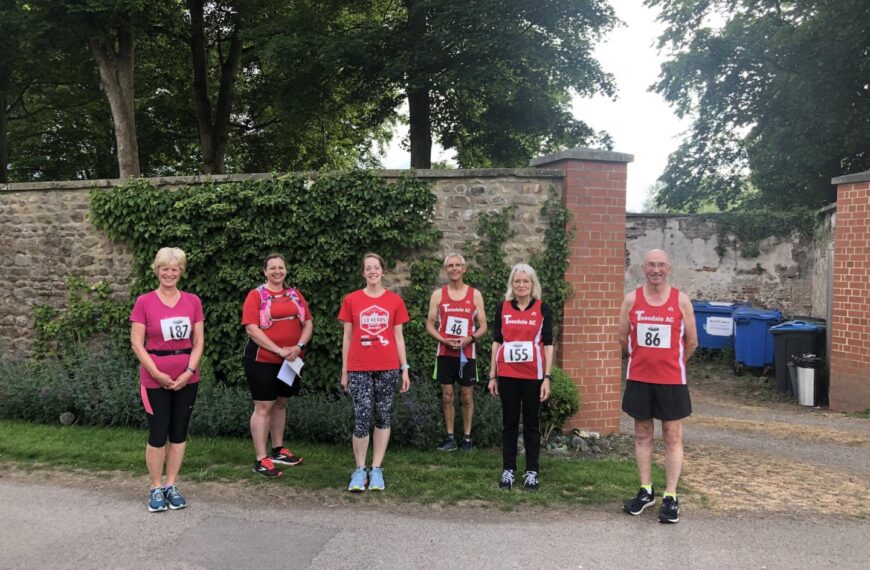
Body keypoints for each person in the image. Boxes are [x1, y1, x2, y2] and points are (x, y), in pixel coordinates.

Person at [619, 249, 698, 523]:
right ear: (644, 268)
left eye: (661, 265)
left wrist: (673, 364)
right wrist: (643, 361)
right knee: (642, 434)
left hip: (672, 380)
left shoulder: (682, 301)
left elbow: (691, 342)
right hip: (640, 378)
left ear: (668, 268)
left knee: (672, 436)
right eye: (651, 265)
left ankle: (671, 496)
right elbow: (622, 338)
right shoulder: (631, 300)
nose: (656, 270)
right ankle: (645, 490)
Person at [130, 247, 204, 513]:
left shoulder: (193, 301)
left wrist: (188, 371)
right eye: (165, 268)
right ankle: (155, 487)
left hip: (187, 377)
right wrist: (157, 373)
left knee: (179, 433)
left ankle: (172, 485)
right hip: (154, 378)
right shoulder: (144, 302)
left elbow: (198, 342)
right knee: (158, 433)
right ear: (157, 270)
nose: (169, 273)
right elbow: (137, 344)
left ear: (181, 271)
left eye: (175, 269)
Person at [338, 252, 411, 492]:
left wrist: (404, 369)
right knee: (361, 417)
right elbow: (347, 337)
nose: (372, 271)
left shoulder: (394, 301)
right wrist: (345, 371)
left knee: (383, 416)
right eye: (367, 268)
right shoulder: (351, 300)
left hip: (388, 367)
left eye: (376, 267)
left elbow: (398, 336)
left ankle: (376, 468)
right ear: (363, 273)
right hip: (359, 367)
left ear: (382, 271)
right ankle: (360, 470)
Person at [241, 253, 313, 478]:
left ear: (286, 270)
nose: (277, 271)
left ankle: (278, 450)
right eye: (272, 268)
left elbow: (308, 322)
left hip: (291, 360)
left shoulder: (294, 295)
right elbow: (252, 329)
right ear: (265, 271)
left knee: (281, 404)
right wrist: (278, 350)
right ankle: (261, 459)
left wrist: (298, 346)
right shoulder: (256, 296)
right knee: (263, 407)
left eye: (281, 267)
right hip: (263, 360)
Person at [487, 263, 553, 491]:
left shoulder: (543, 309)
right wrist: (492, 375)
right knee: (510, 423)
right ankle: (509, 469)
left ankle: (532, 471)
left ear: (532, 284)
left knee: (532, 424)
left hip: (533, 376)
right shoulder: (502, 308)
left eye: (526, 281)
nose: (521, 285)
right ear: (512, 285)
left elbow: (549, 345)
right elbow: (497, 341)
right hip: (507, 375)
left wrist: (547, 377)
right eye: (517, 281)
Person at [426, 253, 487, 451]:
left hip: (467, 354)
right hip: (445, 352)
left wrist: (470, 339)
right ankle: (450, 438)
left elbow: (483, 326)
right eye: (450, 265)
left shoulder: (475, 295)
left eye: (457, 265)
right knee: (447, 395)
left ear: (464, 269)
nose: (454, 268)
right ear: (446, 270)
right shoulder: (438, 295)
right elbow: (429, 325)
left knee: (467, 396)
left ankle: (467, 439)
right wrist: (443, 340)